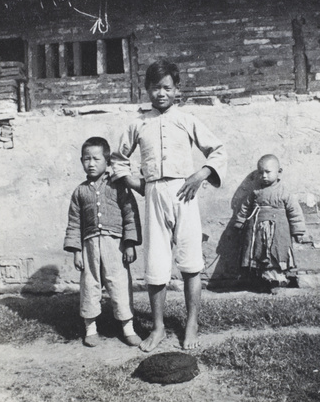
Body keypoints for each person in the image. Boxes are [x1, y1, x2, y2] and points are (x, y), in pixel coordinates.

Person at [111, 59, 227, 352]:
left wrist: (200, 175)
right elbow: (118, 160)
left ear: (177, 90)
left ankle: (191, 324)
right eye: (154, 88)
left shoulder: (186, 120)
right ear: (146, 90)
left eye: (167, 88)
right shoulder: (139, 123)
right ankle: (159, 327)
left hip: (183, 193)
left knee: (190, 262)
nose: (160, 93)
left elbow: (217, 150)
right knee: (156, 263)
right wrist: (139, 186)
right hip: (154, 195)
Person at [64, 137, 142, 347]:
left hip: (114, 244)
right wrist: (77, 251)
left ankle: (128, 327)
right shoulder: (80, 192)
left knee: (119, 283)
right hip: (89, 245)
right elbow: (74, 223)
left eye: (96, 159)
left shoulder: (119, 186)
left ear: (107, 161)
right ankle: (90, 328)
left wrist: (129, 243)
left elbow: (130, 214)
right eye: (86, 159)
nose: (91, 164)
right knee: (90, 284)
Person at [234, 154, 305, 293]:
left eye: (268, 172)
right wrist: (240, 222)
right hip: (257, 231)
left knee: (275, 255)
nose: (264, 176)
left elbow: (294, 212)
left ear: (279, 172)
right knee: (258, 254)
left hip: (278, 232)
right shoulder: (255, 192)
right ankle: (261, 281)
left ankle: (276, 282)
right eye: (260, 173)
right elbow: (245, 208)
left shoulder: (284, 193)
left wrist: (298, 231)